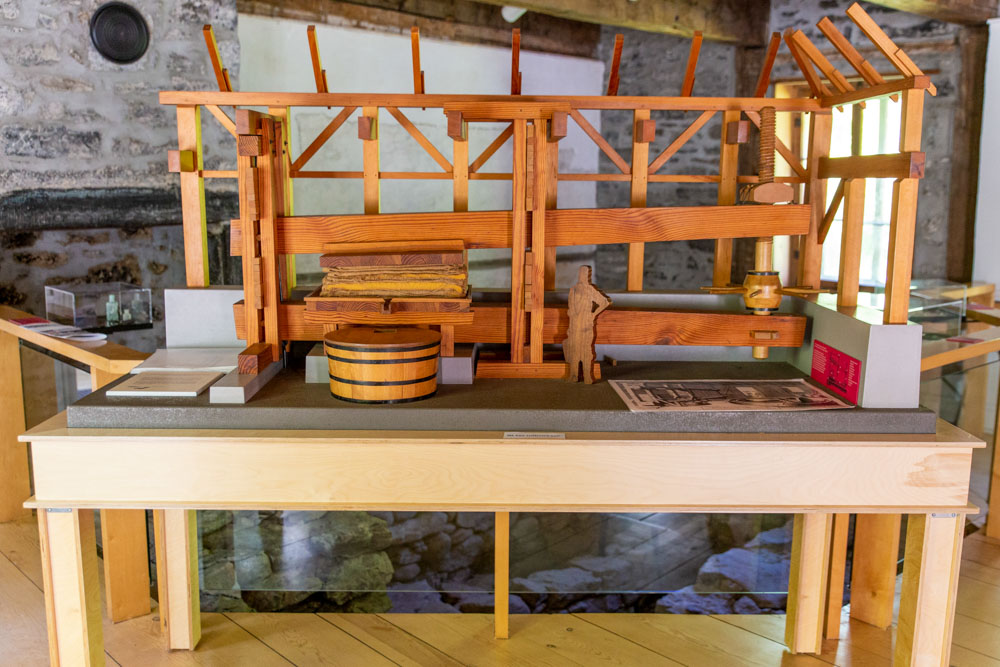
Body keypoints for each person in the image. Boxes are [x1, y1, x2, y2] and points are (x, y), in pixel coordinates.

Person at [564, 265, 611, 383]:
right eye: (581, 272)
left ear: (588, 275)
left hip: (586, 324)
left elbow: (605, 302)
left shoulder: (590, 290)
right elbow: (570, 310)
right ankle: (573, 375)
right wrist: (570, 328)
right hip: (574, 324)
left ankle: (587, 377)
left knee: (586, 350)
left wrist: (593, 314)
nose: (582, 275)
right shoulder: (573, 289)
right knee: (574, 350)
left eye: (584, 273)